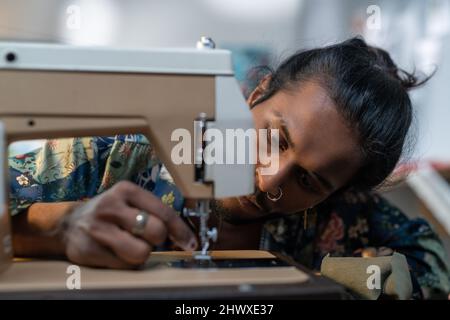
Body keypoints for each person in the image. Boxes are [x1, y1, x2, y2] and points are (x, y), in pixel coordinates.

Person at [8, 37, 450, 299]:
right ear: (256, 95)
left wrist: (344, 280)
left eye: (308, 180)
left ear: (338, 192)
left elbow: (433, 258)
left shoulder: (338, 217)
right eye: (275, 137)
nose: (270, 178)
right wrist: (57, 228)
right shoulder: (118, 155)